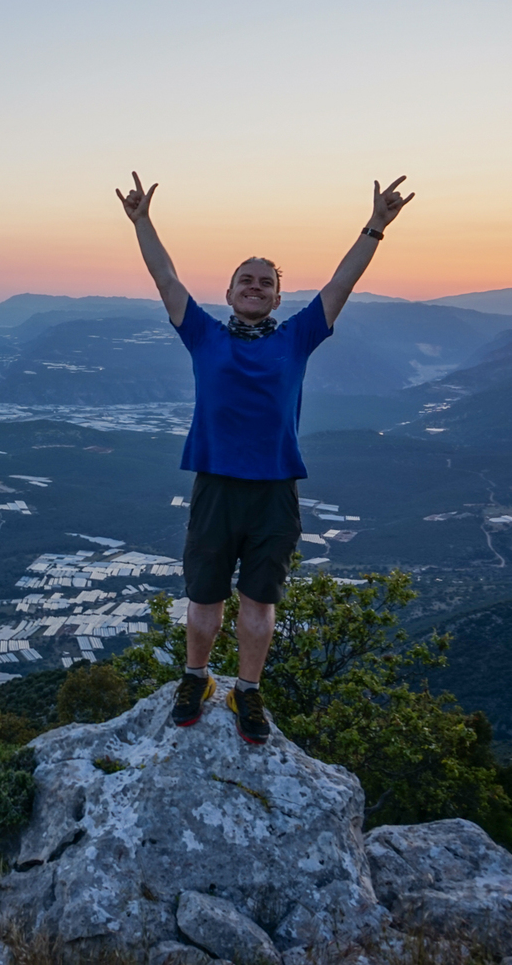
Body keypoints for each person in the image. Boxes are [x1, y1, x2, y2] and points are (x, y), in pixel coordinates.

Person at [117, 171, 414, 744]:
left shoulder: (297, 337)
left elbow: (341, 284)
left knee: (259, 603)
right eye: (244, 281)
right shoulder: (204, 334)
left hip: (275, 490)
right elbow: (165, 278)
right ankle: (196, 678)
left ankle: (247, 692)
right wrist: (142, 222)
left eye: (265, 282)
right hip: (215, 488)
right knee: (204, 600)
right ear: (228, 294)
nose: (254, 287)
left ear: (278, 297)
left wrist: (375, 227)